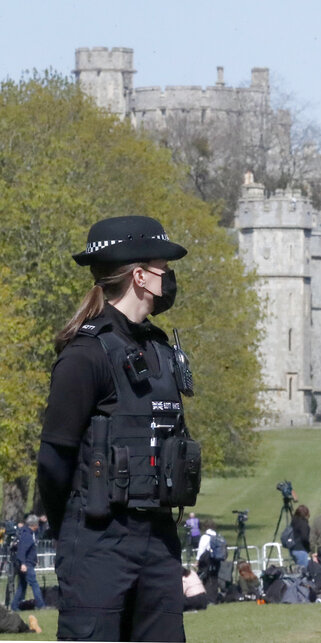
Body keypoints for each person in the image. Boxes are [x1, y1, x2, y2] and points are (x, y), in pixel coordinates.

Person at [36, 215, 198, 641]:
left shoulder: (160, 351)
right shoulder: (86, 355)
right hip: (97, 540)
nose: (170, 277)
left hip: (158, 539)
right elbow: (53, 461)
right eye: (164, 267)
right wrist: (74, 530)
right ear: (141, 276)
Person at [12, 515, 45, 611]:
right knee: (34, 584)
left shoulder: (29, 532)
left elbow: (40, 534)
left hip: (26, 563)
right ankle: (41, 605)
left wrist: (41, 522)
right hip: (26, 564)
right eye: (38, 524)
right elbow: (21, 551)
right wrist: (23, 563)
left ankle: (14, 606)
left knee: (22, 586)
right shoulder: (27, 535)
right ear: (34, 525)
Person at [196, 519, 222, 597]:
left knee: (206, 578)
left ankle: (208, 596)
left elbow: (201, 549)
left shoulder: (205, 537)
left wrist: (197, 560)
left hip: (207, 560)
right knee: (214, 578)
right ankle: (214, 596)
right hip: (217, 559)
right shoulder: (217, 536)